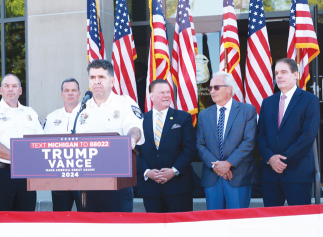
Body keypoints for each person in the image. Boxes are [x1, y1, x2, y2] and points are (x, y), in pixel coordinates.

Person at [76, 59, 145, 212]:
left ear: (112, 81)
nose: (96, 82)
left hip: (116, 182)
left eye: (101, 77)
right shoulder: (82, 108)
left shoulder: (125, 103)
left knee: (118, 231)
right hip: (86, 184)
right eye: (92, 77)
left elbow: (135, 128)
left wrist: (131, 139)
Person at [257, 58, 320, 207]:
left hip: (297, 173)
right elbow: (261, 135)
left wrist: (282, 161)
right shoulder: (268, 102)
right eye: (277, 73)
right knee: (272, 223)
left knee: (300, 223)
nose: (278, 76)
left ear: (295, 75)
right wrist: (270, 158)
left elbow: (308, 136)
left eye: (283, 72)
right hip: (270, 174)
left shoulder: (310, 100)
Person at [0, 74, 44, 211]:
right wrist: (19, 158)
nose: (10, 89)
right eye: (6, 86)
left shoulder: (30, 113)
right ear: (1, 91)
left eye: (14, 86)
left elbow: (40, 142)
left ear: (20, 91)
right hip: (0, 174)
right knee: (0, 222)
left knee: (26, 220)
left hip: (26, 176)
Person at [196, 71, 257, 210]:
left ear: (229, 89)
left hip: (238, 175)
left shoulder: (247, 110)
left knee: (238, 222)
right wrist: (217, 166)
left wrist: (228, 163)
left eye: (216, 87)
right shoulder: (204, 115)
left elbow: (249, 141)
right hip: (213, 176)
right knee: (214, 224)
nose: (212, 91)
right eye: (210, 88)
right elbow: (200, 144)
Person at [136, 79, 196, 212]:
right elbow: (135, 151)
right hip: (151, 188)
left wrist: (173, 171)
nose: (166, 95)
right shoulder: (139, 120)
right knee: (154, 230)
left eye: (168, 92)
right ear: (151, 96)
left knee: (180, 229)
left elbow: (189, 149)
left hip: (178, 186)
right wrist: (147, 172)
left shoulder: (183, 118)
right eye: (161, 92)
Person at [43, 78, 81, 211]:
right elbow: (44, 145)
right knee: (60, 215)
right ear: (62, 94)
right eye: (66, 91)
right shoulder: (52, 117)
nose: (70, 93)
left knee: (86, 214)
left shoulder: (89, 115)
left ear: (79, 93)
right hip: (59, 175)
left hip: (84, 176)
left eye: (73, 90)